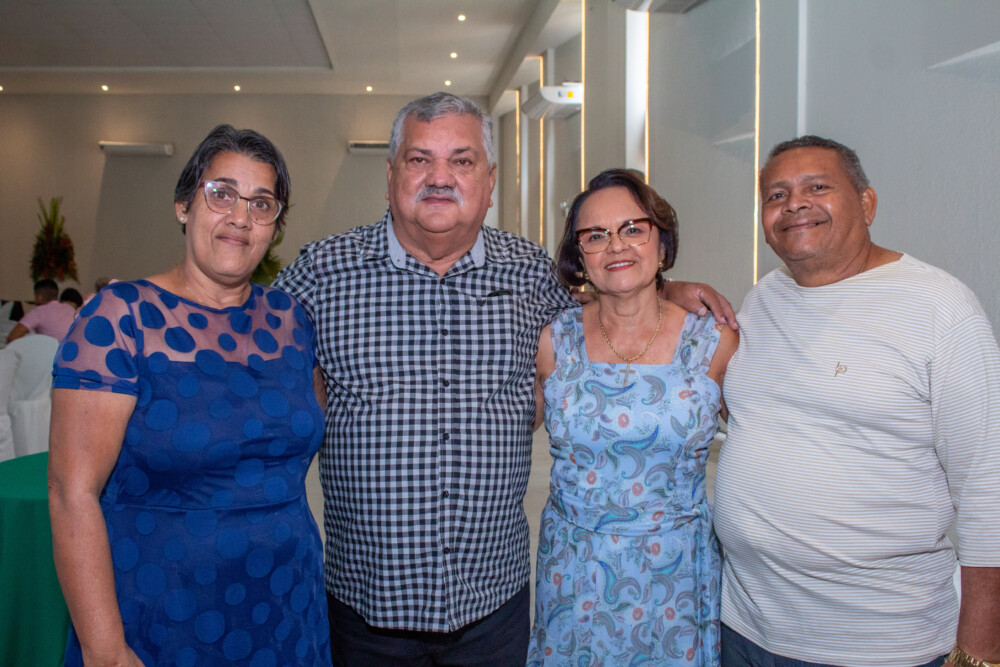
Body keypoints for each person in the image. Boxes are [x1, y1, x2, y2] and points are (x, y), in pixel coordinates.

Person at [273, 92, 736, 665]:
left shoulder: (530, 274)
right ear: (390, 175)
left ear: (489, 181)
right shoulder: (324, 271)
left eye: (462, 160)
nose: (439, 177)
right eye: (419, 159)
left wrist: (668, 288)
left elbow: (609, 300)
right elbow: (248, 341)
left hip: (493, 606)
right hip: (367, 607)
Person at [48, 124, 331, 666]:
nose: (240, 217)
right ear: (184, 205)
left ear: (275, 226)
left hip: (289, 611)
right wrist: (105, 650)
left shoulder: (293, 321)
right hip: (162, 614)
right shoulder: (120, 318)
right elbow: (70, 492)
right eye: (221, 194)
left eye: (261, 203)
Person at [714, 136, 1000, 667]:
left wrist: (980, 653)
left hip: (879, 642)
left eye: (817, 187)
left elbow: (989, 489)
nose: (794, 204)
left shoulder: (940, 309)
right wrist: (669, 288)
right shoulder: (764, 298)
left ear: (867, 203)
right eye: (776, 195)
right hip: (745, 626)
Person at [527, 169, 737, 665]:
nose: (615, 245)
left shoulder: (713, 342)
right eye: (595, 235)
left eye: (633, 229)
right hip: (575, 572)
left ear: (662, 245)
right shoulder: (554, 341)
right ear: (580, 256)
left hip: (675, 576)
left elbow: (764, 442)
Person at [5, 278, 76, 343]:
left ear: (39, 297)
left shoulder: (38, 311)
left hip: (51, 351)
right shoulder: (70, 308)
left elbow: (12, 337)